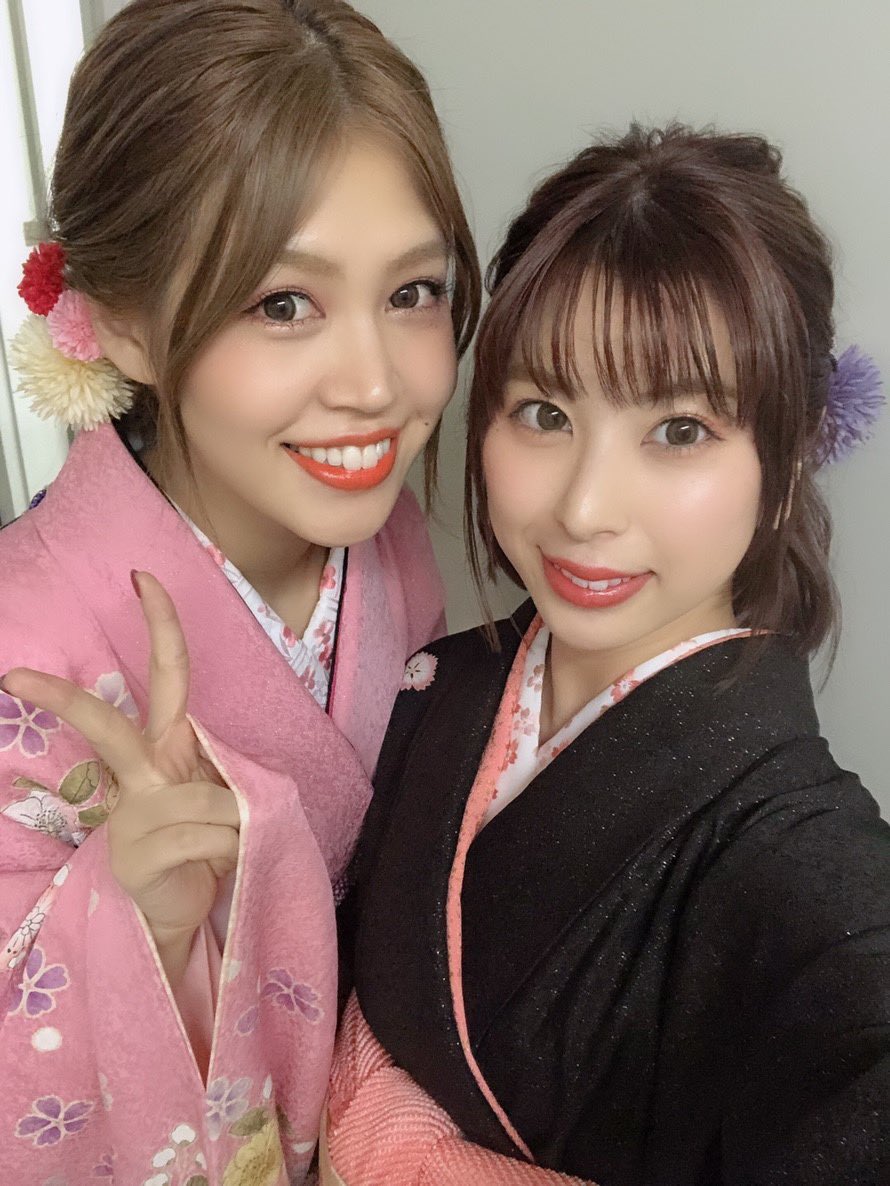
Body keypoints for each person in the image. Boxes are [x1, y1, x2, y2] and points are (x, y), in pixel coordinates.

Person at [325, 125, 890, 1185]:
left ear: (783, 463)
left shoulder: (800, 856)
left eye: (679, 430)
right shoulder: (441, 685)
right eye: (542, 413)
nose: (583, 509)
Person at [0, 1, 479, 1181]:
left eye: (413, 292)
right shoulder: (25, 636)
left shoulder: (386, 540)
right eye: (282, 304)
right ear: (120, 323)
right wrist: (132, 920)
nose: (375, 384)